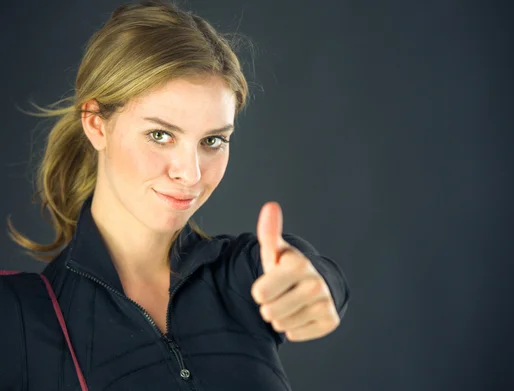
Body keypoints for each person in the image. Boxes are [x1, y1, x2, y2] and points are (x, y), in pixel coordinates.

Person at [0, 1, 350, 390]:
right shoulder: (18, 316)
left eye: (213, 140)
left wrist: (317, 285)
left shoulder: (242, 274)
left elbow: (306, 271)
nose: (191, 172)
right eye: (160, 135)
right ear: (96, 125)